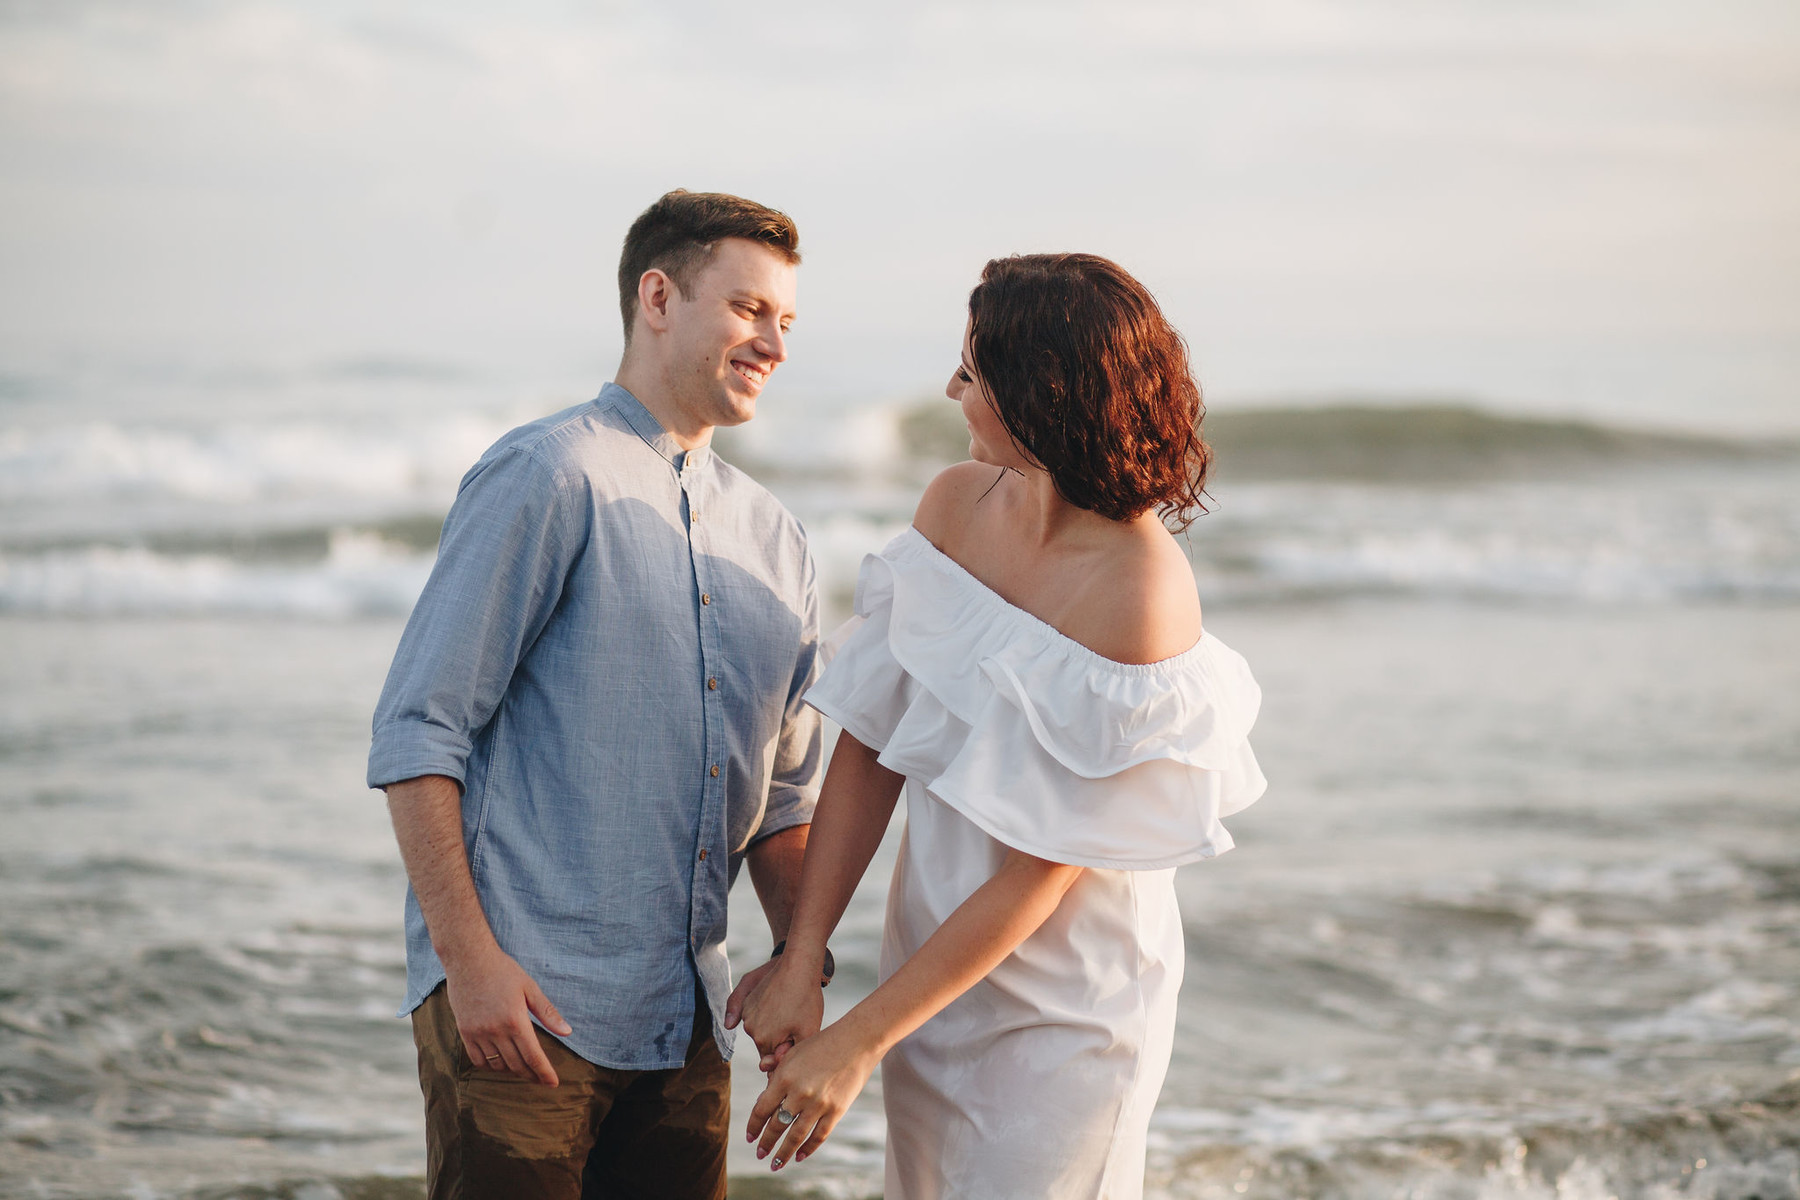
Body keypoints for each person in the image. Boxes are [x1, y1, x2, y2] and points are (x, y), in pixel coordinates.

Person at [733, 253, 1268, 1199]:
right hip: (929, 976)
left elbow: (1039, 871)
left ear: (1039, 392)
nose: (951, 389)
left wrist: (858, 1039)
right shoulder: (952, 505)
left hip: (1071, 1012)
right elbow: (871, 747)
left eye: (972, 372)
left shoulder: (1141, 589)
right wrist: (801, 957)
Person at [367, 189, 825, 1199]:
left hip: (686, 1028)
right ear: (657, 297)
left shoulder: (778, 542)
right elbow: (417, 731)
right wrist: (469, 966)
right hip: (524, 1015)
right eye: (750, 310)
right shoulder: (545, 474)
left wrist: (800, 962)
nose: (774, 344)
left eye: (786, 322)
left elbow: (783, 803)